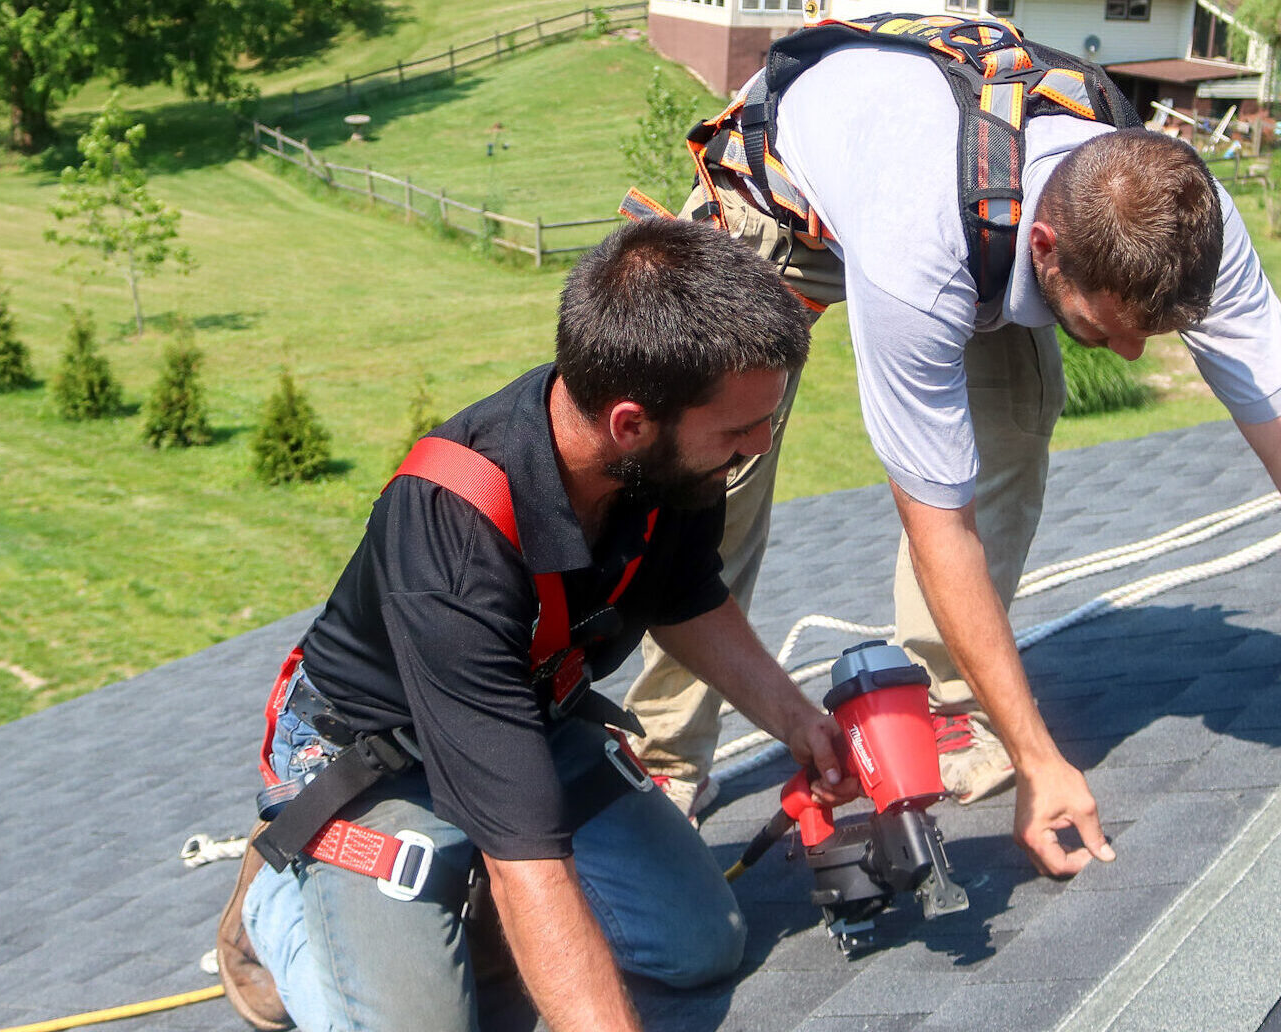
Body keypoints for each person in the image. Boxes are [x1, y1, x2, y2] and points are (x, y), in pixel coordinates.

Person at [620, 14, 1281, 877]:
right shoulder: (917, 250)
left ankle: (946, 697)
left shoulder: (1183, 217)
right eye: (1106, 329)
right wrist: (1042, 766)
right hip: (786, 198)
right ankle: (665, 752)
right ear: (1049, 252)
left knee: (1018, 412)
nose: (1133, 354)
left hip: (981, 195)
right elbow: (936, 523)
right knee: (710, 481)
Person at [218, 218, 856, 1032]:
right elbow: (529, 860)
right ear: (631, 422)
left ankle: (461, 904)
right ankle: (276, 906)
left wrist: (798, 722)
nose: (758, 445)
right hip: (374, 760)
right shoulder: (453, 529)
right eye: (737, 430)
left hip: (526, 720)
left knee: (702, 946)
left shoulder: (663, 463)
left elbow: (683, 596)